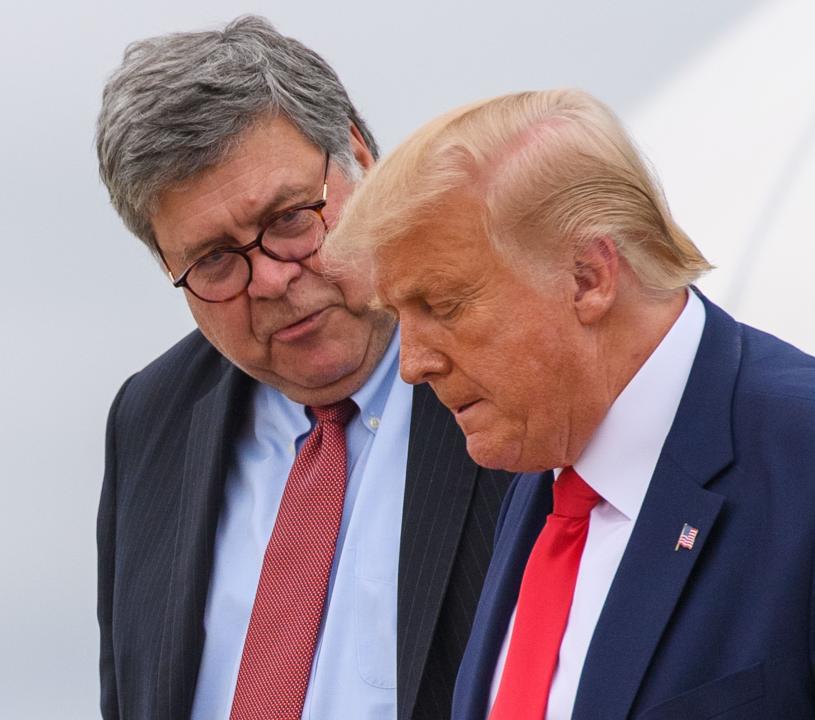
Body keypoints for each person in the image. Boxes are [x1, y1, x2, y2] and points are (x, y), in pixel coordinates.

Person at [324, 89, 815, 718]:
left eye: (444, 306)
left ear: (589, 277)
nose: (413, 364)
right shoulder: (543, 471)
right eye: (399, 316)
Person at [95, 17, 510, 720]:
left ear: (359, 157)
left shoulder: (509, 363)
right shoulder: (151, 419)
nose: (270, 281)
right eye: (216, 261)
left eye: (290, 219)